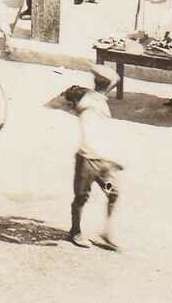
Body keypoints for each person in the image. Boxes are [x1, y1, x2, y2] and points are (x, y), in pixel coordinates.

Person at [68, 64, 123, 251]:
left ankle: (106, 232)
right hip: (88, 162)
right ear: (106, 86)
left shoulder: (98, 100)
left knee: (112, 191)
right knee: (82, 197)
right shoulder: (91, 106)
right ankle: (75, 231)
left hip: (101, 164)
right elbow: (90, 136)